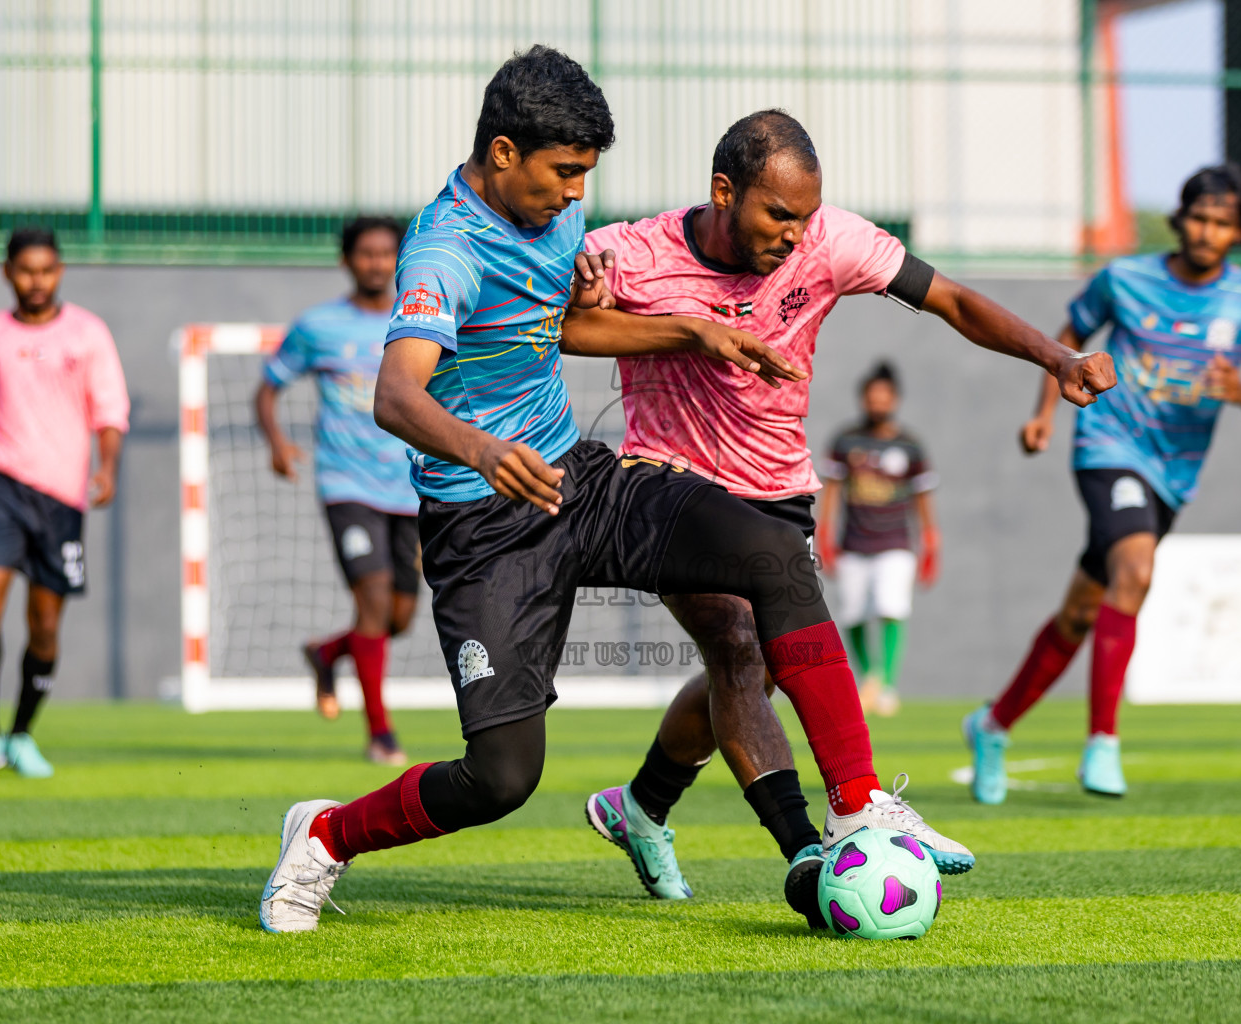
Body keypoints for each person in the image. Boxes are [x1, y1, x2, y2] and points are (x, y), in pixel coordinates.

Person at [257, 48, 1112, 935]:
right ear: (504, 153)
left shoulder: (560, 216)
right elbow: (397, 393)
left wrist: (687, 331)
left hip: (576, 480)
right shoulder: (442, 251)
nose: (575, 195)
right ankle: (323, 835)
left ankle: (856, 808)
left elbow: (563, 328)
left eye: (586, 176)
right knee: (502, 777)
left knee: (771, 558)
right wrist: (481, 451)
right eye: (564, 174)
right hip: (485, 520)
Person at [577, 109, 1115, 923]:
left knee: (749, 670)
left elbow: (955, 303)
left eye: (805, 217)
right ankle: (815, 846)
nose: (795, 235)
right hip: (675, 486)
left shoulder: (833, 240)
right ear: (724, 191)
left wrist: (1058, 358)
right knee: (732, 644)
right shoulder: (634, 253)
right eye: (777, 215)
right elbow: (565, 326)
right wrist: (680, 333)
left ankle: (641, 806)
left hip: (779, 487)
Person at [963, 164, 1241, 803]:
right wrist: (1043, 414)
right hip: (1109, 445)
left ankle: (991, 724)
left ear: (1238, 231)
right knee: (1135, 571)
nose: (1207, 230)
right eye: (1199, 216)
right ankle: (1103, 744)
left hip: (1174, 473)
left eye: (1222, 222)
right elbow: (1067, 338)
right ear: (1180, 218)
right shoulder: (1126, 279)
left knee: (1084, 609)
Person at [0, 226, 129, 780]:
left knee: (44, 624)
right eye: (26, 270)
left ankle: (21, 735)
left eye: (46, 270)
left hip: (61, 498)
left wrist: (108, 467)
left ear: (60, 271)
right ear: (7, 273)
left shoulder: (88, 334)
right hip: (0, 485)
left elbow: (110, 409)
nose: (37, 280)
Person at [255, 216, 419, 765]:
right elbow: (268, 388)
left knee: (397, 618)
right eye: (364, 253)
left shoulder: (419, 323)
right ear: (346, 260)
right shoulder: (318, 326)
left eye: (384, 254)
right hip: (347, 485)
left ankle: (327, 652)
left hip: (413, 487)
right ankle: (381, 734)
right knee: (372, 603)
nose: (375, 263)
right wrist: (277, 443)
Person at [818, 361, 940, 718]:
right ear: (863, 399)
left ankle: (882, 682)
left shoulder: (911, 446)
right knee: (854, 614)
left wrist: (931, 540)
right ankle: (870, 679)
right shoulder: (845, 441)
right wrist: (824, 535)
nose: (877, 402)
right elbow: (832, 491)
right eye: (872, 396)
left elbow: (922, 497)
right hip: (854, 543)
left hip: (896, 542)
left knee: (891, 608)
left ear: (895, 399)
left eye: (884, 396)